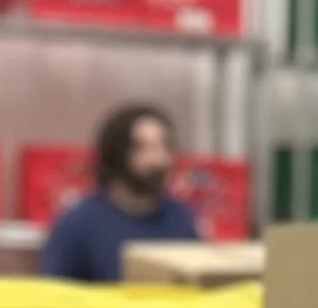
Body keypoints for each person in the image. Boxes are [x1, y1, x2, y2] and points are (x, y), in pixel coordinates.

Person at [37, 103, 203, 283]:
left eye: (164, 147)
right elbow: (55, 297)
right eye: (143, 148)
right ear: (117, 154)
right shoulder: (78, 225)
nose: (158, 159)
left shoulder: (181, 219)